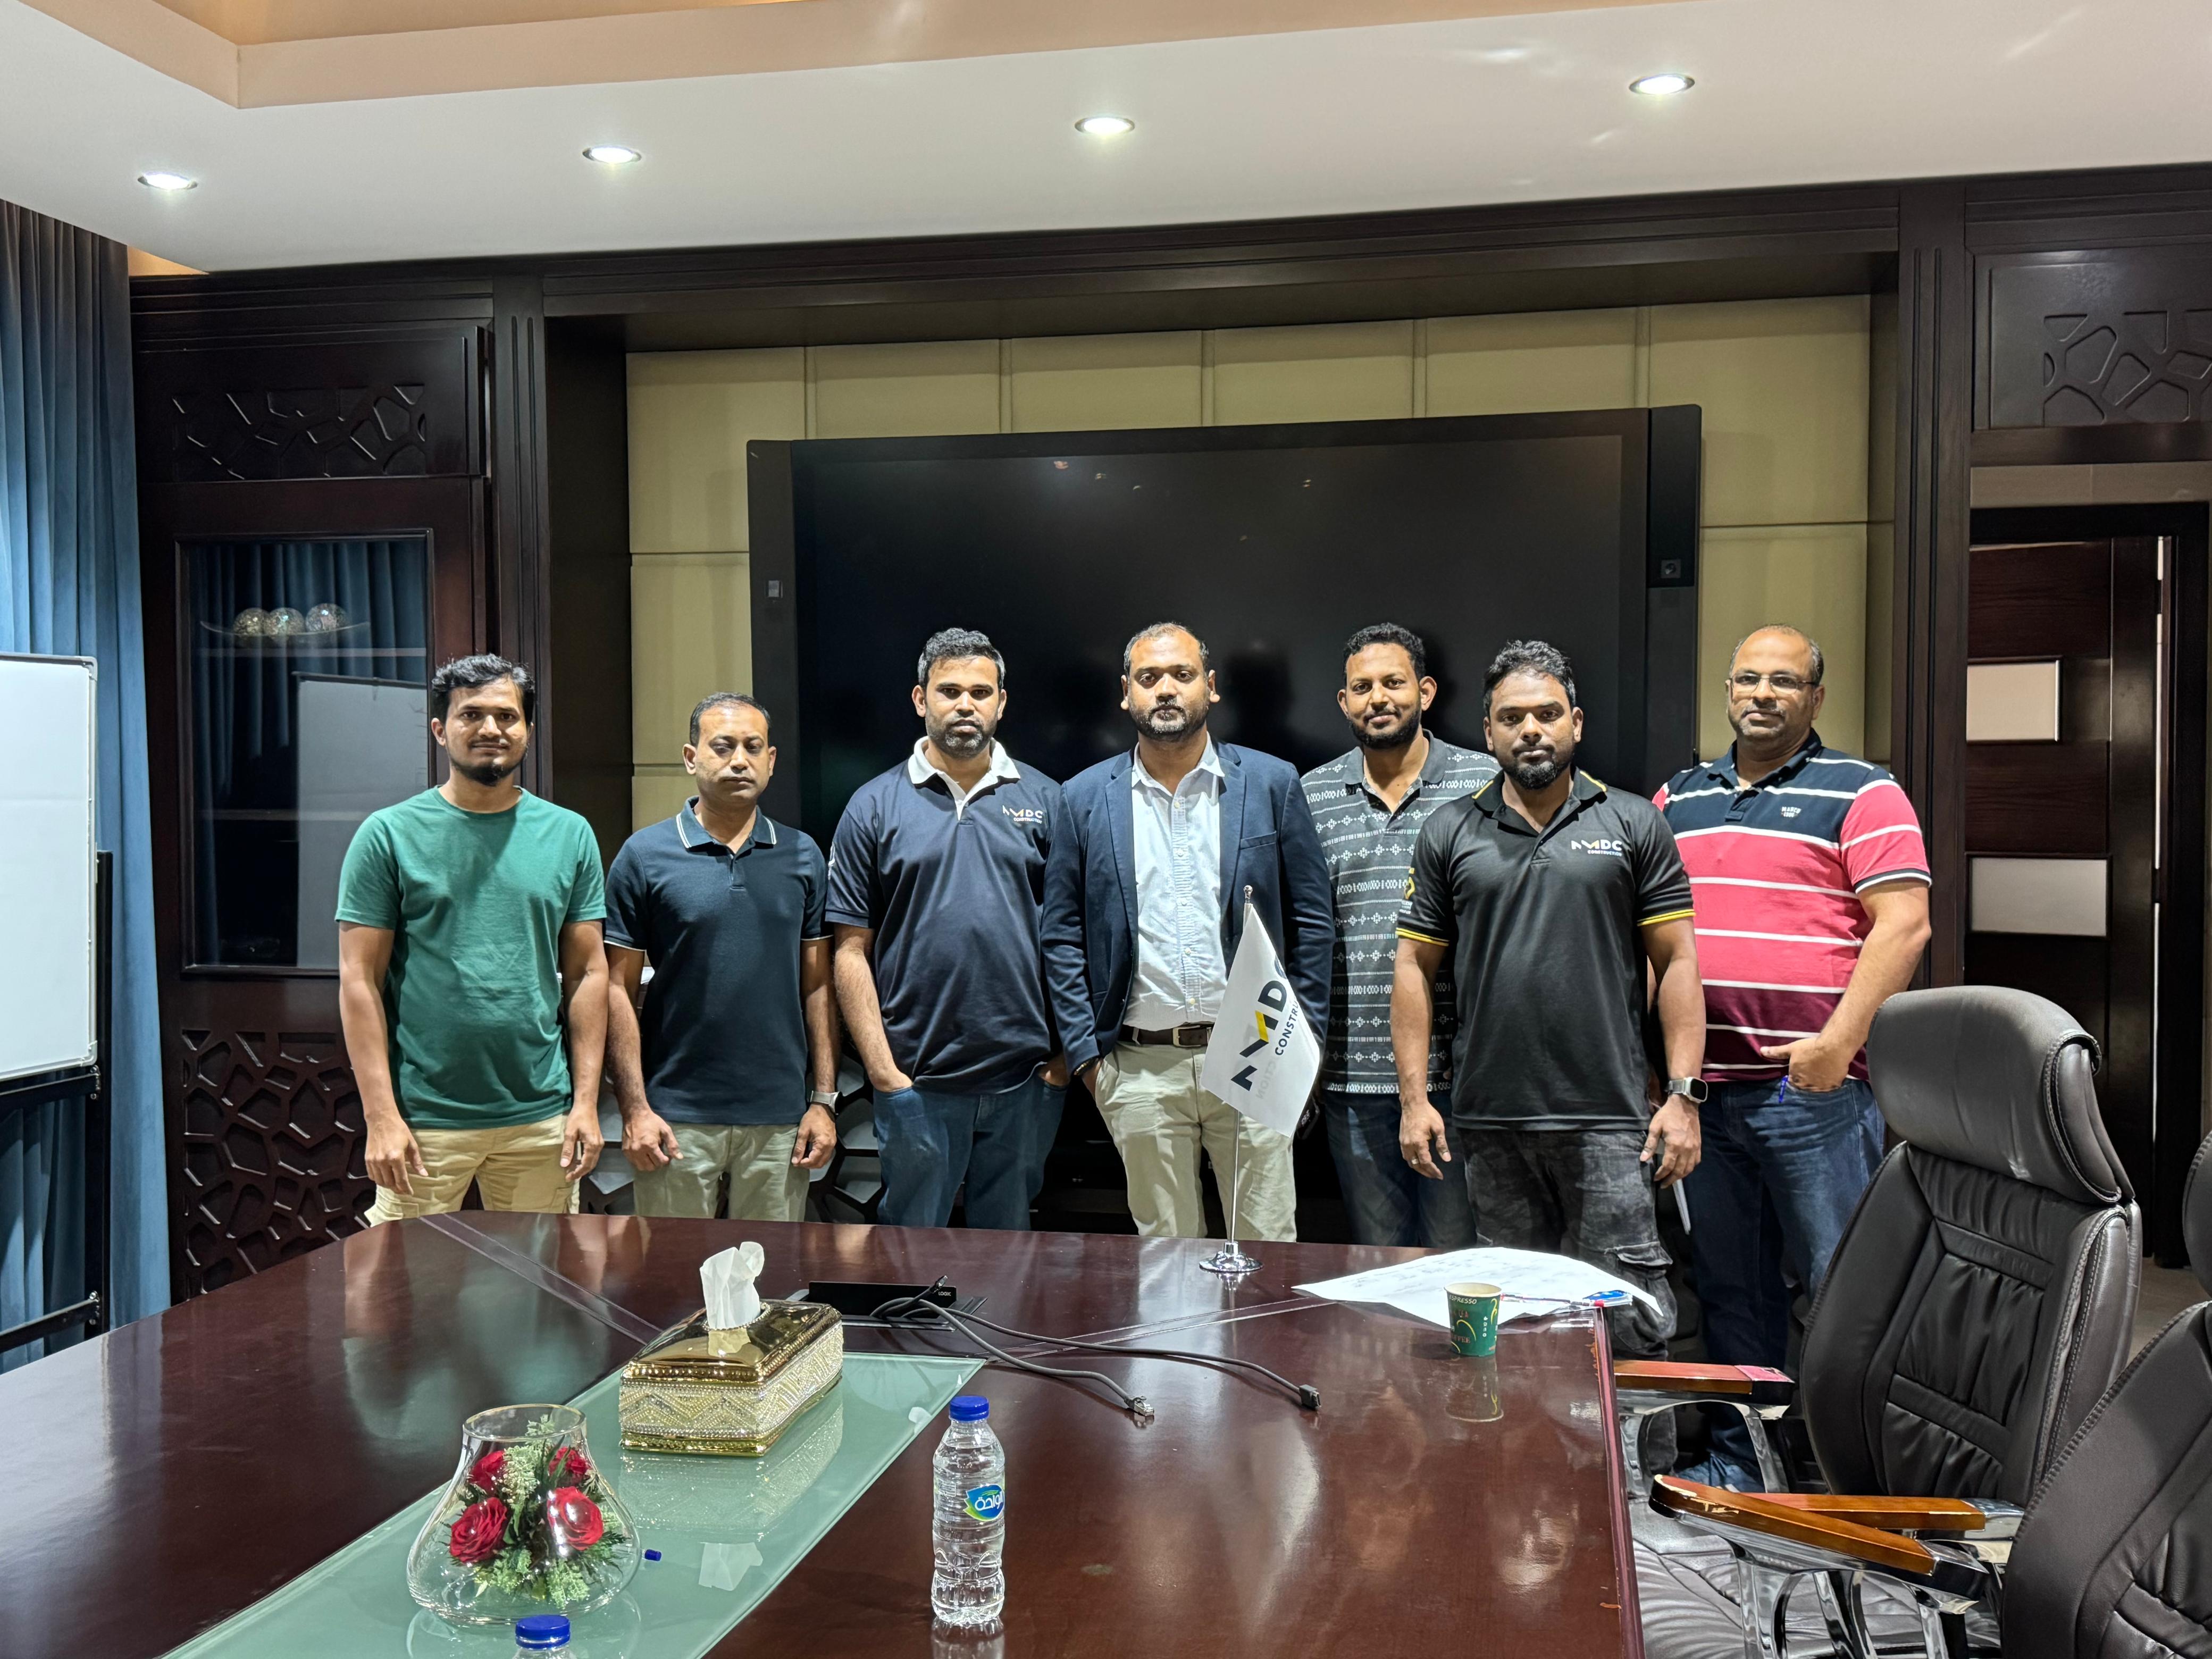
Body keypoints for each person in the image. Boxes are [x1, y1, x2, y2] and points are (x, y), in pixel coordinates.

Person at [1393, 639, 1704, 1444]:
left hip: (1609, 1121)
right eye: (1511, 718)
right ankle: (1526, 1479)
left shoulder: (1632, 822)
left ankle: (1642, 1494)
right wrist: (1415, 1099)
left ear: (1576, 723)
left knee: (1627, 1322)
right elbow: (1414, 969)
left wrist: (1682, 1096)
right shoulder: (1449, 830)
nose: (1530, 729)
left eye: (1546, 714)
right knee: (1517, 1327)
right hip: (1490, 1123)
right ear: (1487, 733)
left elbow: (1676, 962)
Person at [1656, 623, 1932, 1491]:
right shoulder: (1677, 798)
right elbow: (1655, 937)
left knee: (1845, 1295)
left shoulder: (1865, 791)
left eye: (1783, 681)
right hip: (1707, 1096)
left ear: (1816, 696)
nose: (1762, 695)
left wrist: (1840, 1043)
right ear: (1728, 692)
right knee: (1733, 1290)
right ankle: (1746, 1466)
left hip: (1811, 1095)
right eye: (1748, 679)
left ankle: (1862, 1481)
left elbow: (1905, 925)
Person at [1044, 622, 1334, 1242]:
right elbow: (1061, 934)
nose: (1166, 689)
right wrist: (1089, 1060)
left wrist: (1304, 1039)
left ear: (1210, 686)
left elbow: (1311, 921)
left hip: (1257, 1053)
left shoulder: (1270, 783)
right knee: (1166, 1260)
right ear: (1125, 692)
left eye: (1181, 675)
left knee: (1265, 1252)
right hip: (1137, 1068)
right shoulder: (1082, 798)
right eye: (1148, 678)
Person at [336, 654, 609, 1221]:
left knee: (537, 1275)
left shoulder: (569, 834)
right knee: (407, 1276)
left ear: (528, 730)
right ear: (441, 730)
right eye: (472, 715)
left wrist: (586, 1104)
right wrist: (380, 1116)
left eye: (507, 717)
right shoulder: (388, 835)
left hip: (540, 1117)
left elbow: (588, 974)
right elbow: (359, 980)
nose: (491, 729)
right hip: (424, 1120)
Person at [828, 629, 1066, 1229]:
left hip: (1026, 1081)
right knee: (911, 1254)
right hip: (916, 1082)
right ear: (920, 699)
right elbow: (850, 951)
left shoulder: (1048, 800)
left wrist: (1062, 1063)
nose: (965, 704)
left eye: (980, 692)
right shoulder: (872, 805)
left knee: (1009, 1256)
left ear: (1001, 703)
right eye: (949, 691)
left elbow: (1076, 938)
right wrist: (884, 1073)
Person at [603, 693, 839, 1221]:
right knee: (672, 1268)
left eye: (753, 748)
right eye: (723, 746)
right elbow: (616, 989)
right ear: (691, 758)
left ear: (771, 761)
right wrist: (634, 1108)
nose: (739, 760)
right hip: (673, 1118)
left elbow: (818, 985)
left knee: (772, 1269)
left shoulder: (803, 855)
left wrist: (823, 1102)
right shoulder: (644, 855)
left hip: (780, 1120)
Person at [1300, 623, 1496, 1248]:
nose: (1377, 698)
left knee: (1457, 1257)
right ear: (1343, 701)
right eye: (1361, 687)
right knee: (1378, 1259)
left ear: (1425, 691)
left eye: (1393, 683)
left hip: (1458, 1073)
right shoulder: (1310, 795)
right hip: (1350, 1077)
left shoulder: (1484, 782)